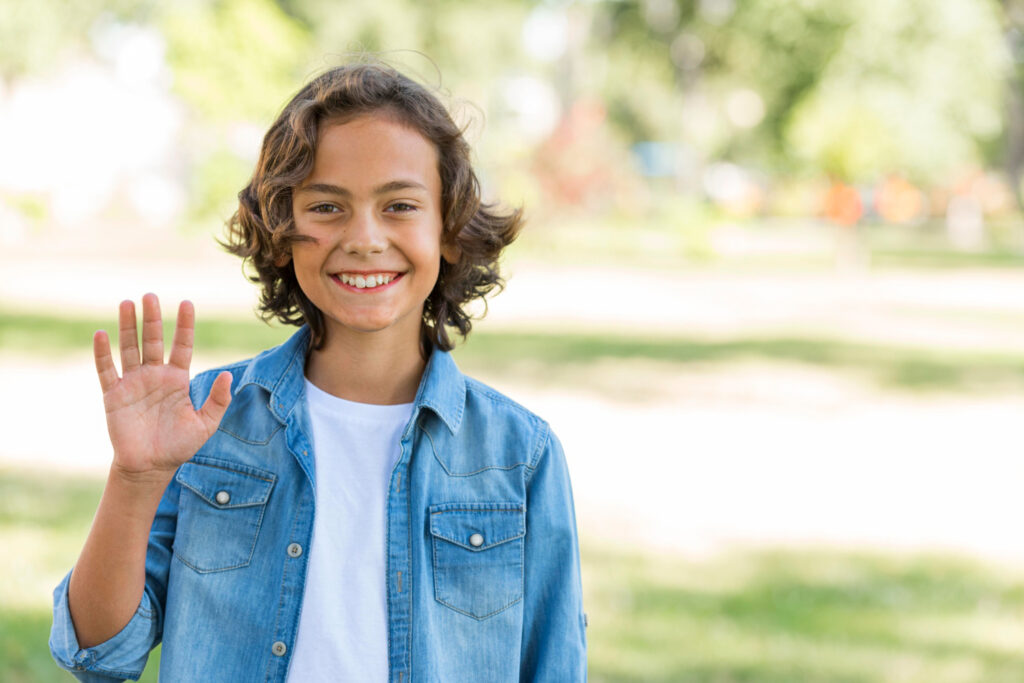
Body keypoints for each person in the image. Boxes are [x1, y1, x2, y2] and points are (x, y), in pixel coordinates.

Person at [49, 61, 587, 682]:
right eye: (328, 206)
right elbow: (99, 653)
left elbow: (554, 667)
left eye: (400, 205)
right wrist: (135, 480)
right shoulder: (203, 423)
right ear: (281, 233)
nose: (363, 238)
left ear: (450, 231)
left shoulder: (521, 455)